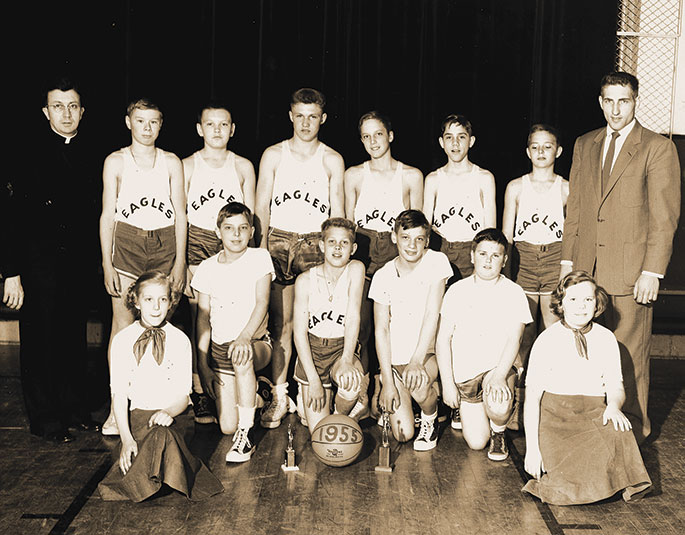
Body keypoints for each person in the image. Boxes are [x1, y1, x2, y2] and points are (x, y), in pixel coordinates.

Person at [560, 71, 681, 444]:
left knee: (628, 361)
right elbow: (577, 209)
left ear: (635, 101)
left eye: (623, 101)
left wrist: (652, 272)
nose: (615, 109)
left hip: (631, 276)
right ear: (600, 102)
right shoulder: (585, 143)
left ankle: (632, 441)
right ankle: (593, 436)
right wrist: (568, 264)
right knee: (583, 357)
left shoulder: (657, 148)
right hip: (585, 275)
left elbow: (665, 217)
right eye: (609, 101)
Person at [12, 76, 101, 443]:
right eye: (58, 106)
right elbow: (11, 216)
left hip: (78, 264)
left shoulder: (93, 153)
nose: (66, 114)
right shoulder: (26, 153)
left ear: (82, 111)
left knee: (72, 339)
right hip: (38, 266)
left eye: (73, 106)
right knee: (40, 341)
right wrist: (10, 273)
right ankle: (45, 418)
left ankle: (73, 409)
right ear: (46, 111)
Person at [255, 88, 345, 429]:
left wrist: (334, 256)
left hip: (315, 245)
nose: (306, 123)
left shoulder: (331, 158)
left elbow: (338, 212)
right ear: (291, 116)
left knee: (315, 323)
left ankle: (320, 389)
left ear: (322, 118)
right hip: (277, 241)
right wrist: (261, 251)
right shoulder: (274, 155)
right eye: (300, 115)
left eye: (313, 116)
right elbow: (261, 206)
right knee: (282, 326)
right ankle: (280, 394)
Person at [522, 271, 651, 505]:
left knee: (620, 431)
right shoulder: (546, 340)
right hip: (555, 420)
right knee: (568, 477)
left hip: (593, 413)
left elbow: (615, 385)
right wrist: (533, 449)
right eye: (573, 300)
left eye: (588, 300)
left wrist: (613, 406)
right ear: (561, 304)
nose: (580, 306)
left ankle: (606, 481)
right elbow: (531, 398)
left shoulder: (606, 338)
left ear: (597, 303)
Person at [99, 98, 187, 435]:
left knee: (162, 320)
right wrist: (107, 262)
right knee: (122, 325)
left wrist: (180, 261)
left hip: (164, 243)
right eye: (140, 121)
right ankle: (115, 408)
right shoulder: (116, 161)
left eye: (153, 122)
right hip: (127, 243)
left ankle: (162, 403)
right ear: (128, 122)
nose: (146, 128)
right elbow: (108, 215)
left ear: (161, 125)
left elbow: (181, 214)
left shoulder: (171, 161)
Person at [97, 271, 223, 502]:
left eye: (162, 299)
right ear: (135, 301)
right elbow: (120, 395)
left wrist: (168, 412)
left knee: (163, 433)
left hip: (176, 417)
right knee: (152, 437)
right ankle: (161, 473)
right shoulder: (122, 339)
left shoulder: (180, 339)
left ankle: (147, 480)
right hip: (139, 419)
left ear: (171, 302)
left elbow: (185, 396)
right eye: (148, 299)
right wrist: (126, 439)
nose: (156, 307)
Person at [344, 111, 423, 420]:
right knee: (363, 324)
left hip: (396, 251)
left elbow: (416, 226)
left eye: (378, 134)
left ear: (390, 135)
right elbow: (347, 223)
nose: (372, 141)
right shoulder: (354, 174)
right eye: (366, 136)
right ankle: (365, 390)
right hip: (363, 247)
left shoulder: (411, 175)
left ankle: (402, 390)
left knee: (397, 322)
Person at [184, 102, 256, 425]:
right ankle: (201, 390)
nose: (216, 130)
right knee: (199, 315)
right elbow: (181, 217)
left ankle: (249, 384)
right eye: (210, 124)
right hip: (197, 240)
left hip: (234, 239)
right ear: (200, 128)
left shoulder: (242, 166)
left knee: (236, 310)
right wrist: (181, 261)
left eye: (223, 124)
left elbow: (251, 218)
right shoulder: (186, 165)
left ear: (232, 129)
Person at [436, 228, 532, 461]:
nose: (488, 261)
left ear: (504, 260)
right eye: (482, 254)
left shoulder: (514, 292)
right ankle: (472, 412)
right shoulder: (457, 291)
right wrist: (448, 384)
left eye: (495, 255)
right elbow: (442, 339)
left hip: (496, 370)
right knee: (477, 442)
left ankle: (499, 430)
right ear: (472, 256)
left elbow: (514, 338)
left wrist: (500, 375)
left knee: (498, 404)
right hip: (466, 375)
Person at [192, 202, 274, 462]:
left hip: (254, 344)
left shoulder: (260, 257)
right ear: (218, 232)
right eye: (229, 228)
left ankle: (246, 437)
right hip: (220, 350)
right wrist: (203, 364)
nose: (236, 234)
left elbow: (262, 303)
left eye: (242, 228)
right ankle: (261, 394)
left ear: (251, 232)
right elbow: (202, 319)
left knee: (242, 356)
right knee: (226, 425)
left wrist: (244, 337)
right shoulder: (206, 267)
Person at [501, 124, 569, 430]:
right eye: (535, 147)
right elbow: (507, 236)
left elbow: (572, 231)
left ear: (558, 151)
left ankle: (551, 404)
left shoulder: (566, 187)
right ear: (527, 151)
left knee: (553, 329)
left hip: (554, 256)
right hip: (524, 260)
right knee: (524, 332)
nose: (541, 152)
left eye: (547, 146)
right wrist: (506, 273)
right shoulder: (516, 186)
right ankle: (519, 400)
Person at [369, 210, 452, 451]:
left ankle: (430, 417)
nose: (412, 245)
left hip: (426, 355)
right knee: (403, 434)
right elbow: (381, 330)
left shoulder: (437, 261)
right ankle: (396, 390)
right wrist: (387, 380)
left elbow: (431, 314)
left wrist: (416, 361)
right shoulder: (383, 275)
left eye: (419, 239)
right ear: (394, 237)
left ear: (427, 240)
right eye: (405, 237)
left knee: (418, 386)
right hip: (396, 362)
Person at [292, 218, 366, 432]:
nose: (337, 248)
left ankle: (340, 413)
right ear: (322, 245)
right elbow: (299, 334)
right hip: (314, 351)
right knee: (318, 432)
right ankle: (306, 391)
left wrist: (346, 360)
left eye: (344, 243)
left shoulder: (355, 270)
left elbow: (353, 317)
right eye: (332, 242)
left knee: (350, 384)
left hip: (341, 347)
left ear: (353, 249)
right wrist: (313, 380)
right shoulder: (305, 280)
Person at [423, 114, 496, 285]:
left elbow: (490, 228)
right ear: (442, 142)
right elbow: (425, 227)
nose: (455, 143)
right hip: (440, 250)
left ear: (471, 141)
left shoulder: (484, 178)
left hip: (471, 251)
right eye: (449, 137)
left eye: (461, 137)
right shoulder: (433, 179)